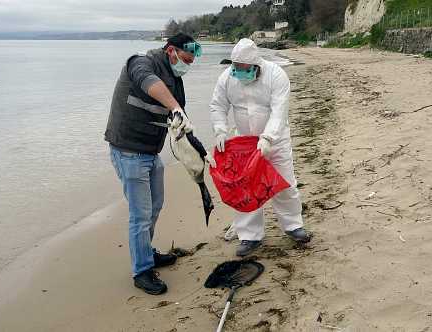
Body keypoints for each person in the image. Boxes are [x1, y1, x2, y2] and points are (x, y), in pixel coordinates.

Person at [105, 33, 202, 295]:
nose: (187, 65)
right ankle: (142, 271)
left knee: (155, 206)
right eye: (185, 59)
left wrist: (197, 148)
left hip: (151, 153)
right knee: (141, 213)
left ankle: (147, 253)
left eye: (191, 62)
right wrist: (174, 107)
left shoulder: (176, 80)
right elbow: (151, 86)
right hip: (128, 152)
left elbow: (180, 118)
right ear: (171, 50)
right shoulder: (140, 63)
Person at [209, 38, 311, 257]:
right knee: (245, 187)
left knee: (284, 182)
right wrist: (220, 129)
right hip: (244, 143)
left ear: (256, 65)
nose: (238, 72)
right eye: (236, 68)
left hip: (275, 140)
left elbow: (279, 111)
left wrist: (268, 138)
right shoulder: (228, 77)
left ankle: (293, 225)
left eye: (244, 69)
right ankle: (249, 236)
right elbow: (218, 105)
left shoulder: (276, 75)